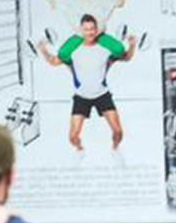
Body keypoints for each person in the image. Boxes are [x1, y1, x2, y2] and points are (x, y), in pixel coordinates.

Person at [37, 14, 137, 155]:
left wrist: (132, 45)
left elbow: (126, 57)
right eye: (86, 29)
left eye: (92, 29)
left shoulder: (105, 49)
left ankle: (115, 148)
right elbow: (54, 61)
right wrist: (43, 50)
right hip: (81, 97)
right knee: (72, 137)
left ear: (96, 30)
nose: (89, 32)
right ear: (81, 30)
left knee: (118, 131)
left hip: (102, 95)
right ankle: (80, 148)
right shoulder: (73, 51)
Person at [36, 0, 139, 62]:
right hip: (80, 36)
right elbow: (54, 5)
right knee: (63, 54)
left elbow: (119, 3)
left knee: (118, 49)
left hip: (99, 35)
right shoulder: (71, 0)